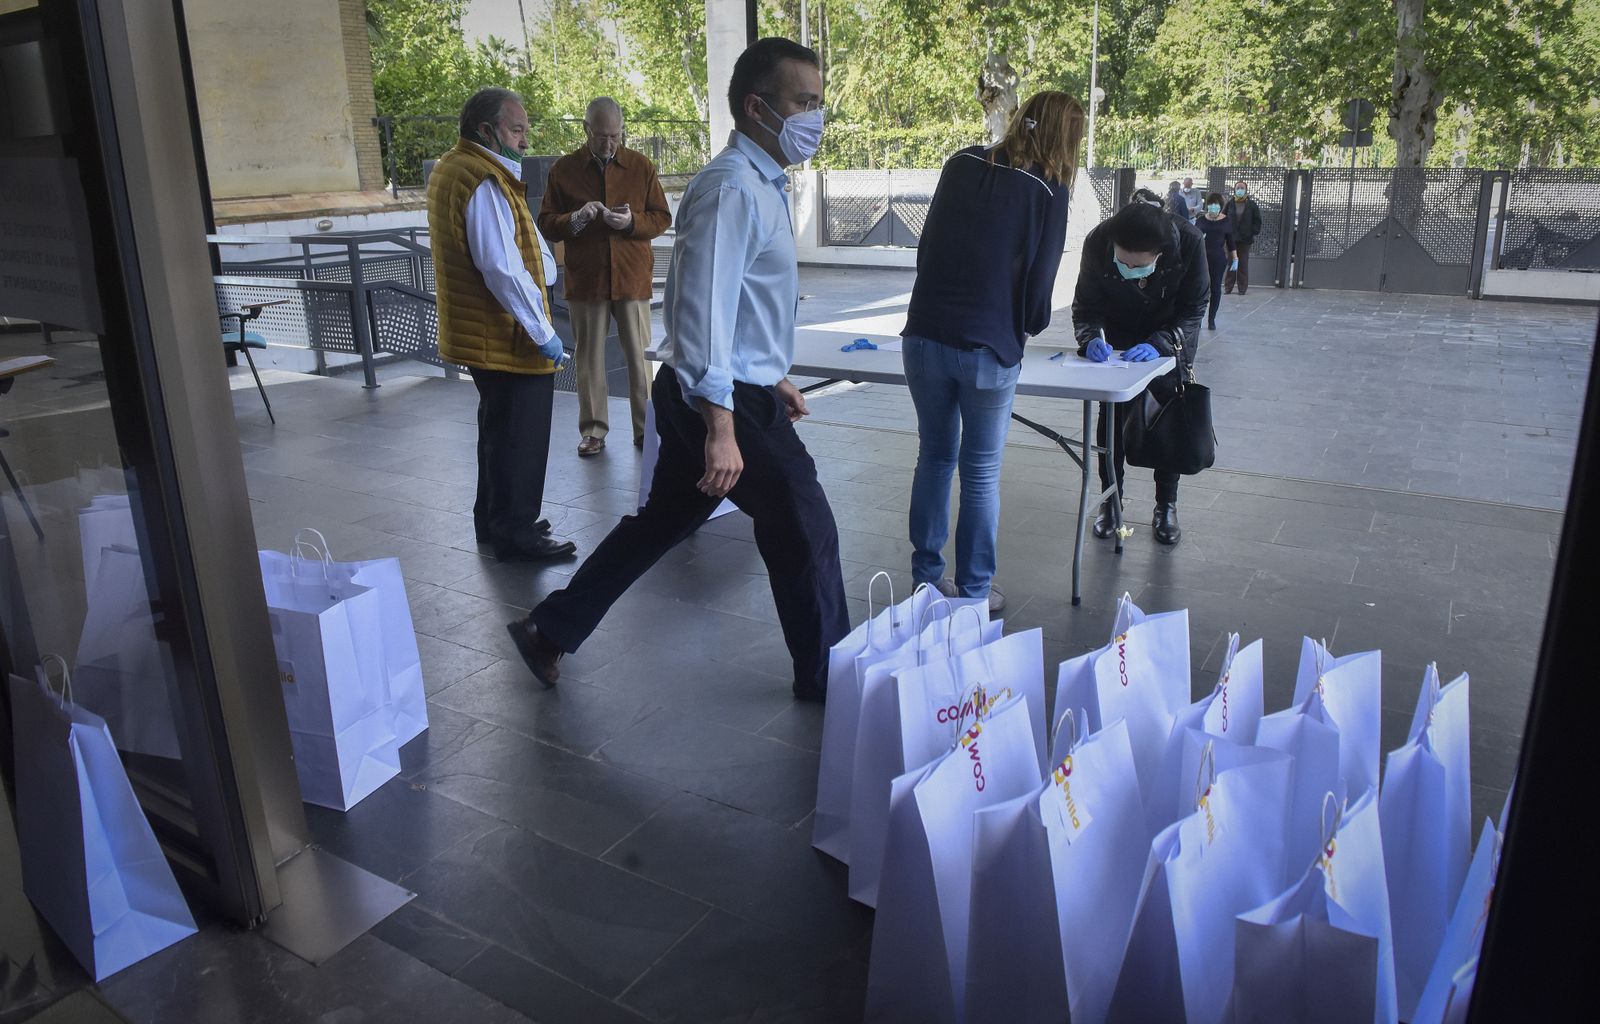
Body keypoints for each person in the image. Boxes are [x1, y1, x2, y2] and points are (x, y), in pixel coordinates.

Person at [507, 38, 849, 702]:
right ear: (757, 107)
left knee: (663, 523)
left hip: (724, 389)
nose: (815, 115)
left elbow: (736, 304)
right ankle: (830, 678)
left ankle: (549, 630)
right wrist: (721, 423)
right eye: (803, 101)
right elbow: (697, 310)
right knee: (806, 527)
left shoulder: (761, 184)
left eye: (818, 101)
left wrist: (769, 370)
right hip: (721, 404)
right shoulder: (730, 190)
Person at [899, 91, 1084, 614]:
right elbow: (1041, 281)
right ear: (1066, 139)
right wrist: (1023, 331)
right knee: (979, 471)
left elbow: (927, 246)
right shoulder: (1050, 189)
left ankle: (925, 584)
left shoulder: (960, 162)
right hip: (989, 346)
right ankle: (975, 593)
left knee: (933, 457)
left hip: (924, 335)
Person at [427, 87, 576, 563]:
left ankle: (494, 520)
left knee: (497, 430)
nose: (526, 141)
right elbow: (501, 267)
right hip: (505, 331)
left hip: (482, 331)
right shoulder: (483, 178)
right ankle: (518, 532)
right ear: (485, 130)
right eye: (517, 130)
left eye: (526, 130)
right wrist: (543, 332)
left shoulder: (454, 167)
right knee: (522, 436)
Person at [537, 97, 673, 457]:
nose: (610, 143)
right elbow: (546, 223)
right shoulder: (563, 170)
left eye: (615, 135)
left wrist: (631, 223)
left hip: (631, 276)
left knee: (640, 356)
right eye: (601, 136)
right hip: (587, 279)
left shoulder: (641, 166)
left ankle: (646, 430)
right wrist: (577, 219)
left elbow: (662, 217)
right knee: (589, 356)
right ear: (586, 131)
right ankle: (593, 431)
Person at [1071, 199, 1207, 546]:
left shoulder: (1190, 243)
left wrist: (1162, 342)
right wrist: (1090, 340)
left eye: (1138, 265)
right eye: (1123, 262)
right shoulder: (1099, 240)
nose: (1129, 268)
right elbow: (1086, 306)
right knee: (1112, 418)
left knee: (1168, 419)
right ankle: (1110, 502)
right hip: (1117, 343)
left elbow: (1194, 309)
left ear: (1159, 254)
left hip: (1166, 342)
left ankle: (1166, 506)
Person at [1195, 192, 1235, 330]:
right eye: (1211, 204)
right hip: (1201, 258)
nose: (1213, 207)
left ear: (1220, 206)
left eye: (1216, 205)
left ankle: (1211, 320)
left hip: (1218, 259)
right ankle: (1198, 318)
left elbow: (1230, 242)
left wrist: (1235, 258)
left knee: (1215, 289)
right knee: (1200, 289)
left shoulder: (1226, 220)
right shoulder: (1200, 220)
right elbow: (1194, 238)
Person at [1225, 180, 1263, 294]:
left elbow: (1257, 220)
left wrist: (1252, 231)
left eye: (1242, 188)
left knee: (1243, 264)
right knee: (1231, 263)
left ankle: (1242, 288)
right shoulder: (1230, 203)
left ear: (1245, 190)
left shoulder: (1251, 205)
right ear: (1235, 190)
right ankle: (1228, 287)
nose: (1240, 190)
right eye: (1238, 188)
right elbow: (1223, 217)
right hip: (1231, 238)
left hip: (1245, 239)